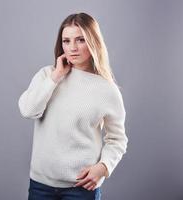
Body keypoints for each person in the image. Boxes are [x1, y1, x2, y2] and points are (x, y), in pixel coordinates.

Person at [18, 12, 128, 200]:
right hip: (40, 186)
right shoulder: (47, 75)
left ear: (93, 42)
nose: (72, 48)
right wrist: (56, 77)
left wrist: (103, 167)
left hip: (81, 188)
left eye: (80, 40)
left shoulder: (107, 90)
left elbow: (118, 139)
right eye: (66, 41)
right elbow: (28, 110)